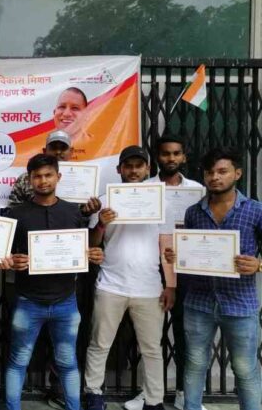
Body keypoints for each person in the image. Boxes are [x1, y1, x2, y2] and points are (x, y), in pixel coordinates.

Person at [2, 154, 104, 410]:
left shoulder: (73, 213)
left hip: (65, 302)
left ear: (58, 177)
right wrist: (11, 261)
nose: (43, 180)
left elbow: (85, 248)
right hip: (28, 301)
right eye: (37, 176)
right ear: (29, 180)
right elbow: (2, 255)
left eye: (48, 175)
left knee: (67, 363)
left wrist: (93, 253)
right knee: (18, 362)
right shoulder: (17, 214)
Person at [164, 147, 262, 410]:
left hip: (240, 304)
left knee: (245, 368)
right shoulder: (193, 213)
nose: (215, 177)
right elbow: (193, 255)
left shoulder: (256, 211)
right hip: (199, 303)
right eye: (209, 172)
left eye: (222, 171)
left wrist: (258, 265)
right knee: (195, 364)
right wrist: (178, 256)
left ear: (237, 174)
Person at [84, 146, 174, 410]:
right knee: (99, 343)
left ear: (148, 169)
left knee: (152, 349)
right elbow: (92, 245)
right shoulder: (104, 201)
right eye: (128, 166)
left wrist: (171, 284)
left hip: (149, 287)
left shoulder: (161, 201)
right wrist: (101, 223)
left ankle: (154, 401)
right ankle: (93, 393)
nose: (133, 171)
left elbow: (166, 245)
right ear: (119, 169)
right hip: (111, 284)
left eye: (139, 166)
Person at [124, 135, 205, 410]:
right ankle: (149, 393)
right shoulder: (144, 188)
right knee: (149, 336)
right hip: (151, 267)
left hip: (186, 267)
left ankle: (184, 393)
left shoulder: (197, 190)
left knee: (184, 332)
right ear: (157, 158)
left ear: (184, 157)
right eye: (165, 153)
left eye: (176, 153)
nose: (171, 158)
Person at [9, 130, 100, 215]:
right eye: (53, 148)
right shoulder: (26, 179)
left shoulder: (85, 179)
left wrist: (87, 211)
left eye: (63, 148)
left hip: (70, 225)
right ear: (45, 151)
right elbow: (14, 211)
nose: (58, 152)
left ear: (71, 151)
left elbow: (82, 215)